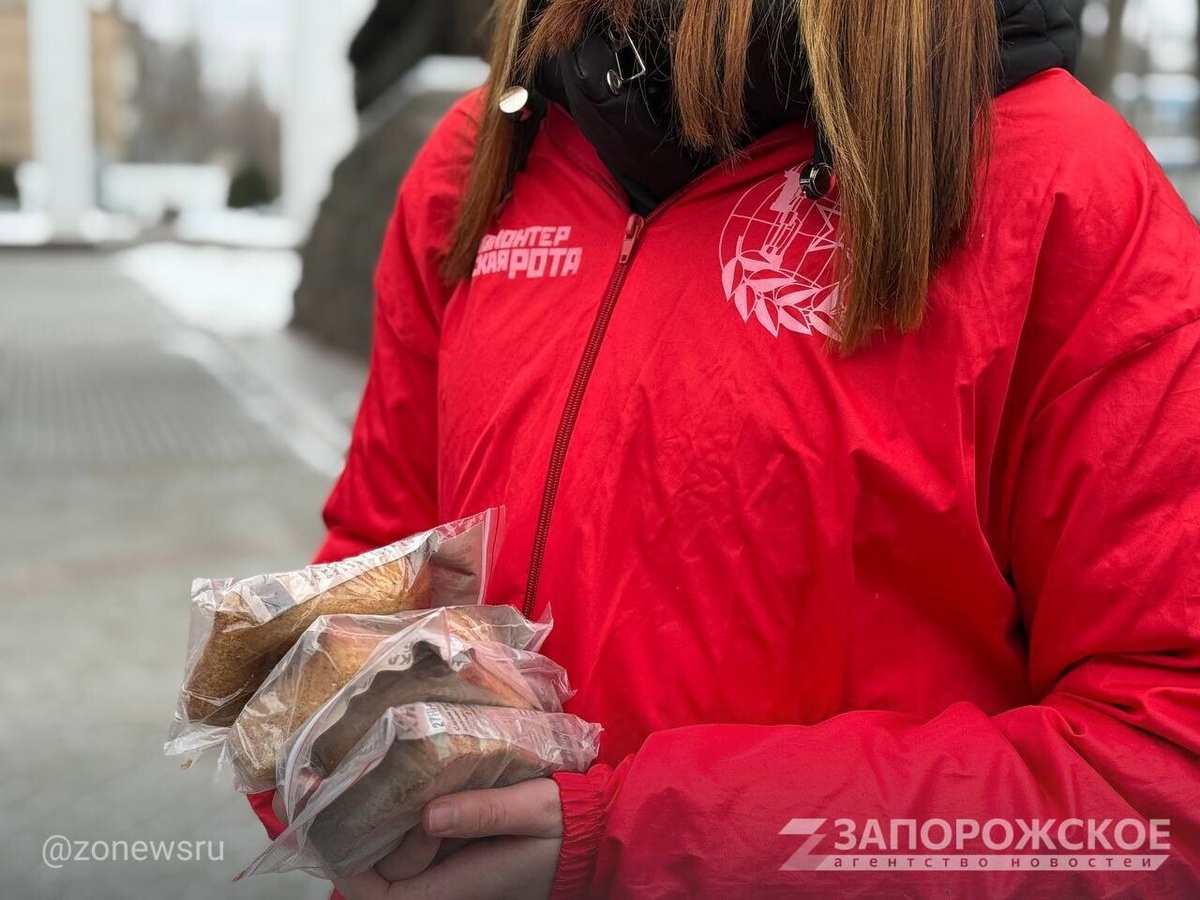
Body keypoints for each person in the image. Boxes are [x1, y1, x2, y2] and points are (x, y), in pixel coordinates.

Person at [252, 0, 1200, 896]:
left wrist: (635, 844)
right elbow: (375, 573)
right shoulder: (480, 162)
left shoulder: (1064, 185)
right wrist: (314, 752)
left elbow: (1158, 786)